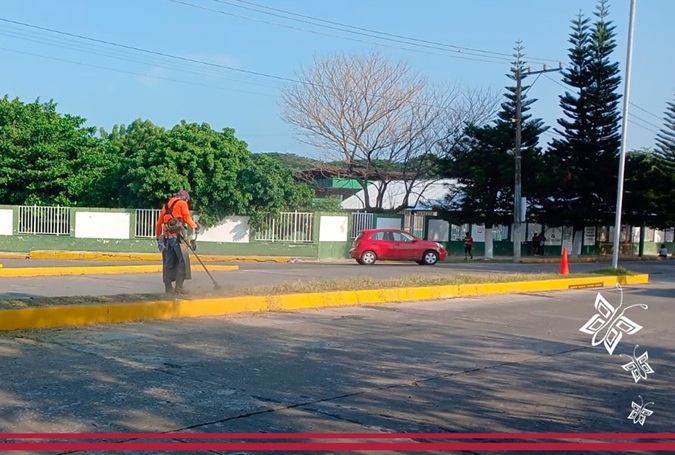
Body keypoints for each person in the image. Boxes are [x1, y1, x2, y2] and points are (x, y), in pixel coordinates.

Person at [155, 190, 200, 294]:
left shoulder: (166, 206)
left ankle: (168, 287)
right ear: (185, 199)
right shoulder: (182, 203)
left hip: (166, 239)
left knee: (168, 263)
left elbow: (159, 224)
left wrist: (158, 237)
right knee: (182, 261)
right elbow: (187, 218)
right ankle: (179, 287)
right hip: (177, 238)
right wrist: (195, 226)